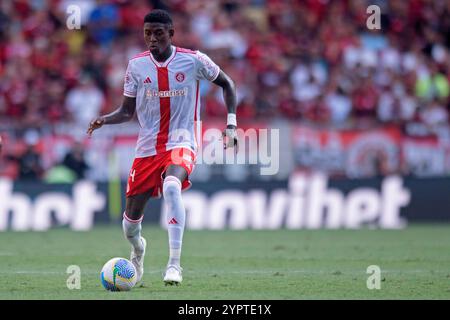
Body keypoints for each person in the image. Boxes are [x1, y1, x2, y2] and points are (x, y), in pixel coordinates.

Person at [87, 9, 238, 286]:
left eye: (158, 33)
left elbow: (227, 84)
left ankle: (174, 265)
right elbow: (126, 111)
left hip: (182, 141)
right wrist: (104, 120)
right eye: (147, 33)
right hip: (147, 150)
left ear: (171, 34)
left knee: (172, 186)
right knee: (130, 225)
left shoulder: (194, 60)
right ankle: (138, 249)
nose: (152, 38)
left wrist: (231, 124)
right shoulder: (136, 66)